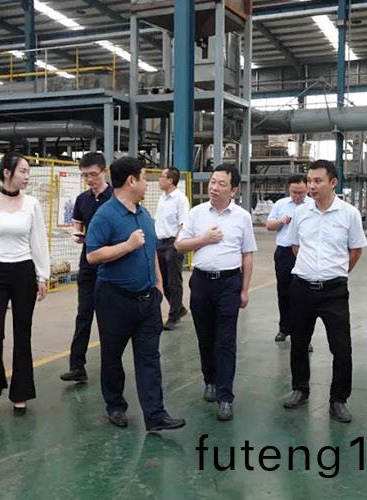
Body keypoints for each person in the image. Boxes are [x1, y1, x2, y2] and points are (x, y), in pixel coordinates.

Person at [85, 156, 185, 432]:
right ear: (131, 181)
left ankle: (155, 415)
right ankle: (115, 406)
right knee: (112, 356)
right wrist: (127, 246)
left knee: (149, 358)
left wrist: (159, 287)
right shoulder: (105, 215)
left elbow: (151, 251)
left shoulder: (143, 214)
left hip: (147, 299)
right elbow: (92, 255)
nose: (147, 183)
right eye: (143, 178)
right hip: (114, 299)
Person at [282, 160, 367, 424]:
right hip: (302, 288)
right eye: (309, 180)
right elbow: (295, 246)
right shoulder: (301, 213)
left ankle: (338, 399)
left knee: (341, 348)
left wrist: (335, 272)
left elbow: (356, 250)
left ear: (333, 182)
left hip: (334, 292)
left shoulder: (349, 214)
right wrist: (312, 270)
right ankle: (300, 389)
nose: (312, 186)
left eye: (318, 181)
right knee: (298, 342)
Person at [0, 152, 50, 415]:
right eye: (23, 171)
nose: (27, 176)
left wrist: (42, 276)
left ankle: (21, 392)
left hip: (24, 272)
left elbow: (39, 240)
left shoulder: (32, 204)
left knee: (22, 334)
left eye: (28, 171)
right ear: (6, 173)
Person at [175, 164, 257, 421]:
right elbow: (179, 245)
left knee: (226, 341)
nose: (214, 187)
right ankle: (210, 380)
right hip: (201, 283)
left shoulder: (242, 217)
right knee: (205, 337)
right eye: (212, 182)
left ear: (233, 190)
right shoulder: (196, 213)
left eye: (221, 184)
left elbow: (247, 254)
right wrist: (204, 240)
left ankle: (225, 396)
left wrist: (245, 289)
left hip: (229, 283)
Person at [60, 152, 113, 383]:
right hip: (88, 266)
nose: (90, 180)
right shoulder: (82, 199)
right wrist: (78, 236)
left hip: (111, 266)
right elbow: (78, 225)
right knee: (83, 315)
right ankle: (77, 366)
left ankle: (110, 368)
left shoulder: (116, 198)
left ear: (104, 171)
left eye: (93, 174)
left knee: (108, 320)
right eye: (85, 176)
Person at [266, 175, 308, 343]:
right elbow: (269, 225)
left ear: (307, 190)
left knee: (304, 293)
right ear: (288, 190)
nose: (297, 196)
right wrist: (281, 221)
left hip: (305, 253)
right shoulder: (280, 204)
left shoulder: (313, 205)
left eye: (301, 193)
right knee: (284, 291)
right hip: (284, 253)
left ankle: (303, 334)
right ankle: (284, 328)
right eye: (294, 192)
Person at [154, 166, 190, 330]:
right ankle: (179, 308)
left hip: (173, 243)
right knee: (162, 280)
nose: (159, 180)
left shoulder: (180, 199)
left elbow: (183, 224)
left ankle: (174, 316)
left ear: (170, 180)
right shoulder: (162, 198)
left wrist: (177, 244)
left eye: (162, 177)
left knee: (174, 281)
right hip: (160, 243)